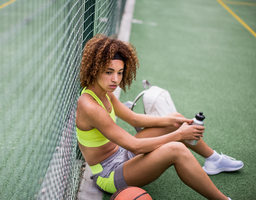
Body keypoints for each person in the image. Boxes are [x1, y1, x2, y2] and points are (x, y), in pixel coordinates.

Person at [75, 34, 243, 199]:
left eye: (120, 72)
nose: (115, 79)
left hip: (122, 154)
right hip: (109, 174)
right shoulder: (89, 106)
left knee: (174, 119)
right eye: (109, 72)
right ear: (94, 69)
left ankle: (214, 160)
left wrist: (171, 120)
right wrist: (179, 135)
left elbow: (134, 119)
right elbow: (135, 146)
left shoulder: (104, 92)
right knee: (176, 149)